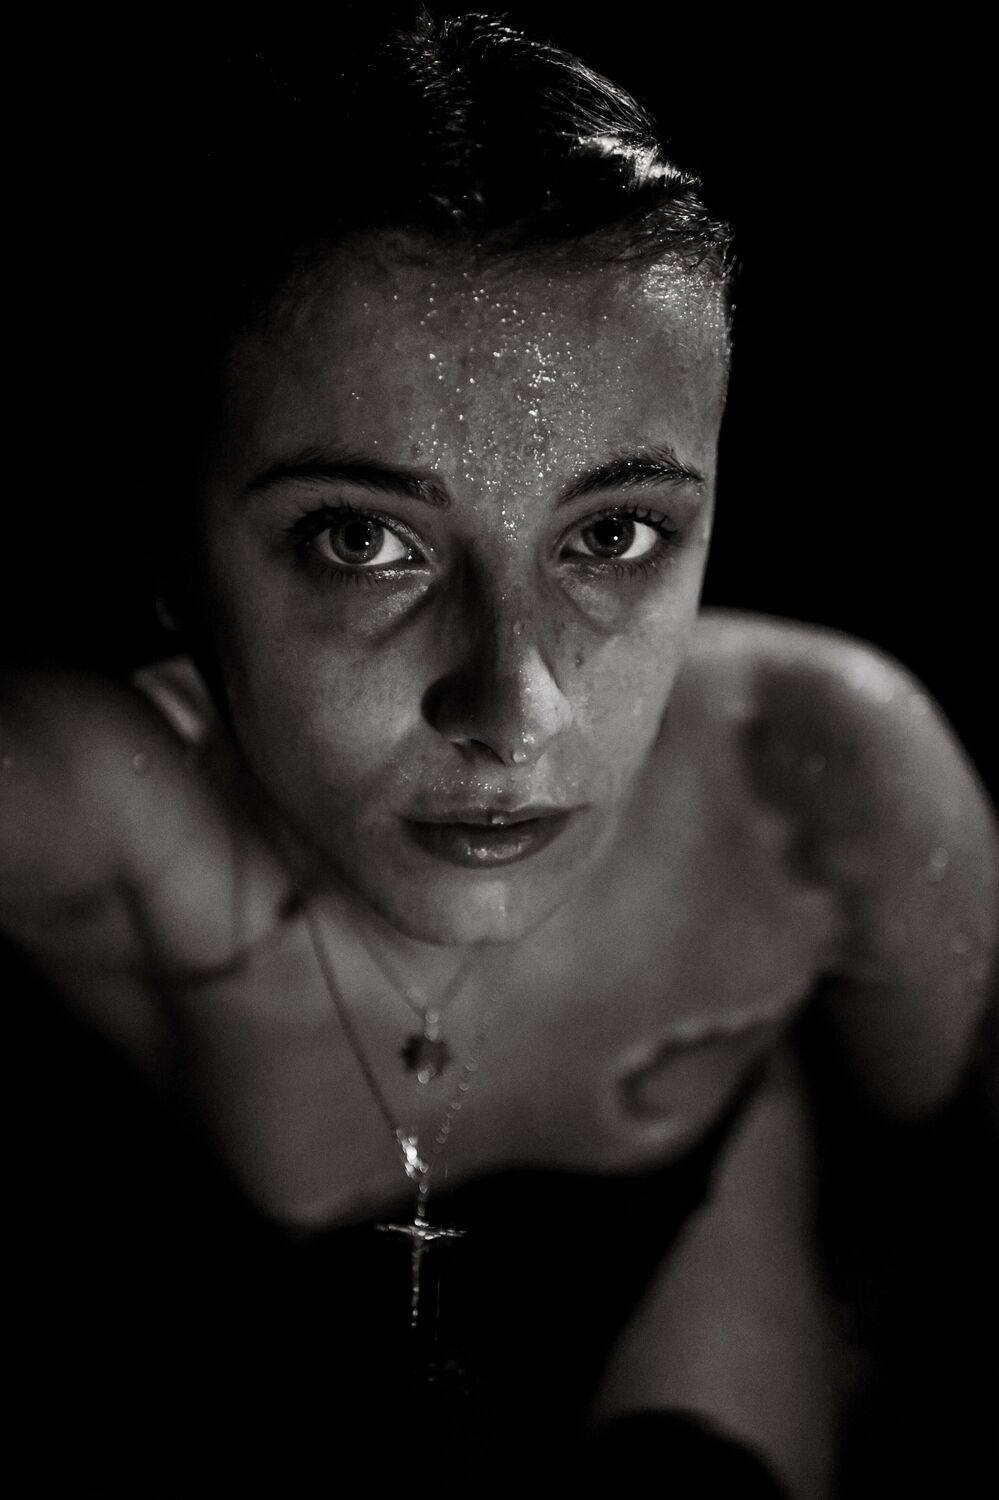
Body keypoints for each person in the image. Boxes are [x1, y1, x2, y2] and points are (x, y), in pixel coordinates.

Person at [3, 10, 995, 1495]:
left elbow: (966, 1258)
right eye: (361, 542)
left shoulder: (816, 780)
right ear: (172, 555)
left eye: (616, 534)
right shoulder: (111, 810)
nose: (517, 708)